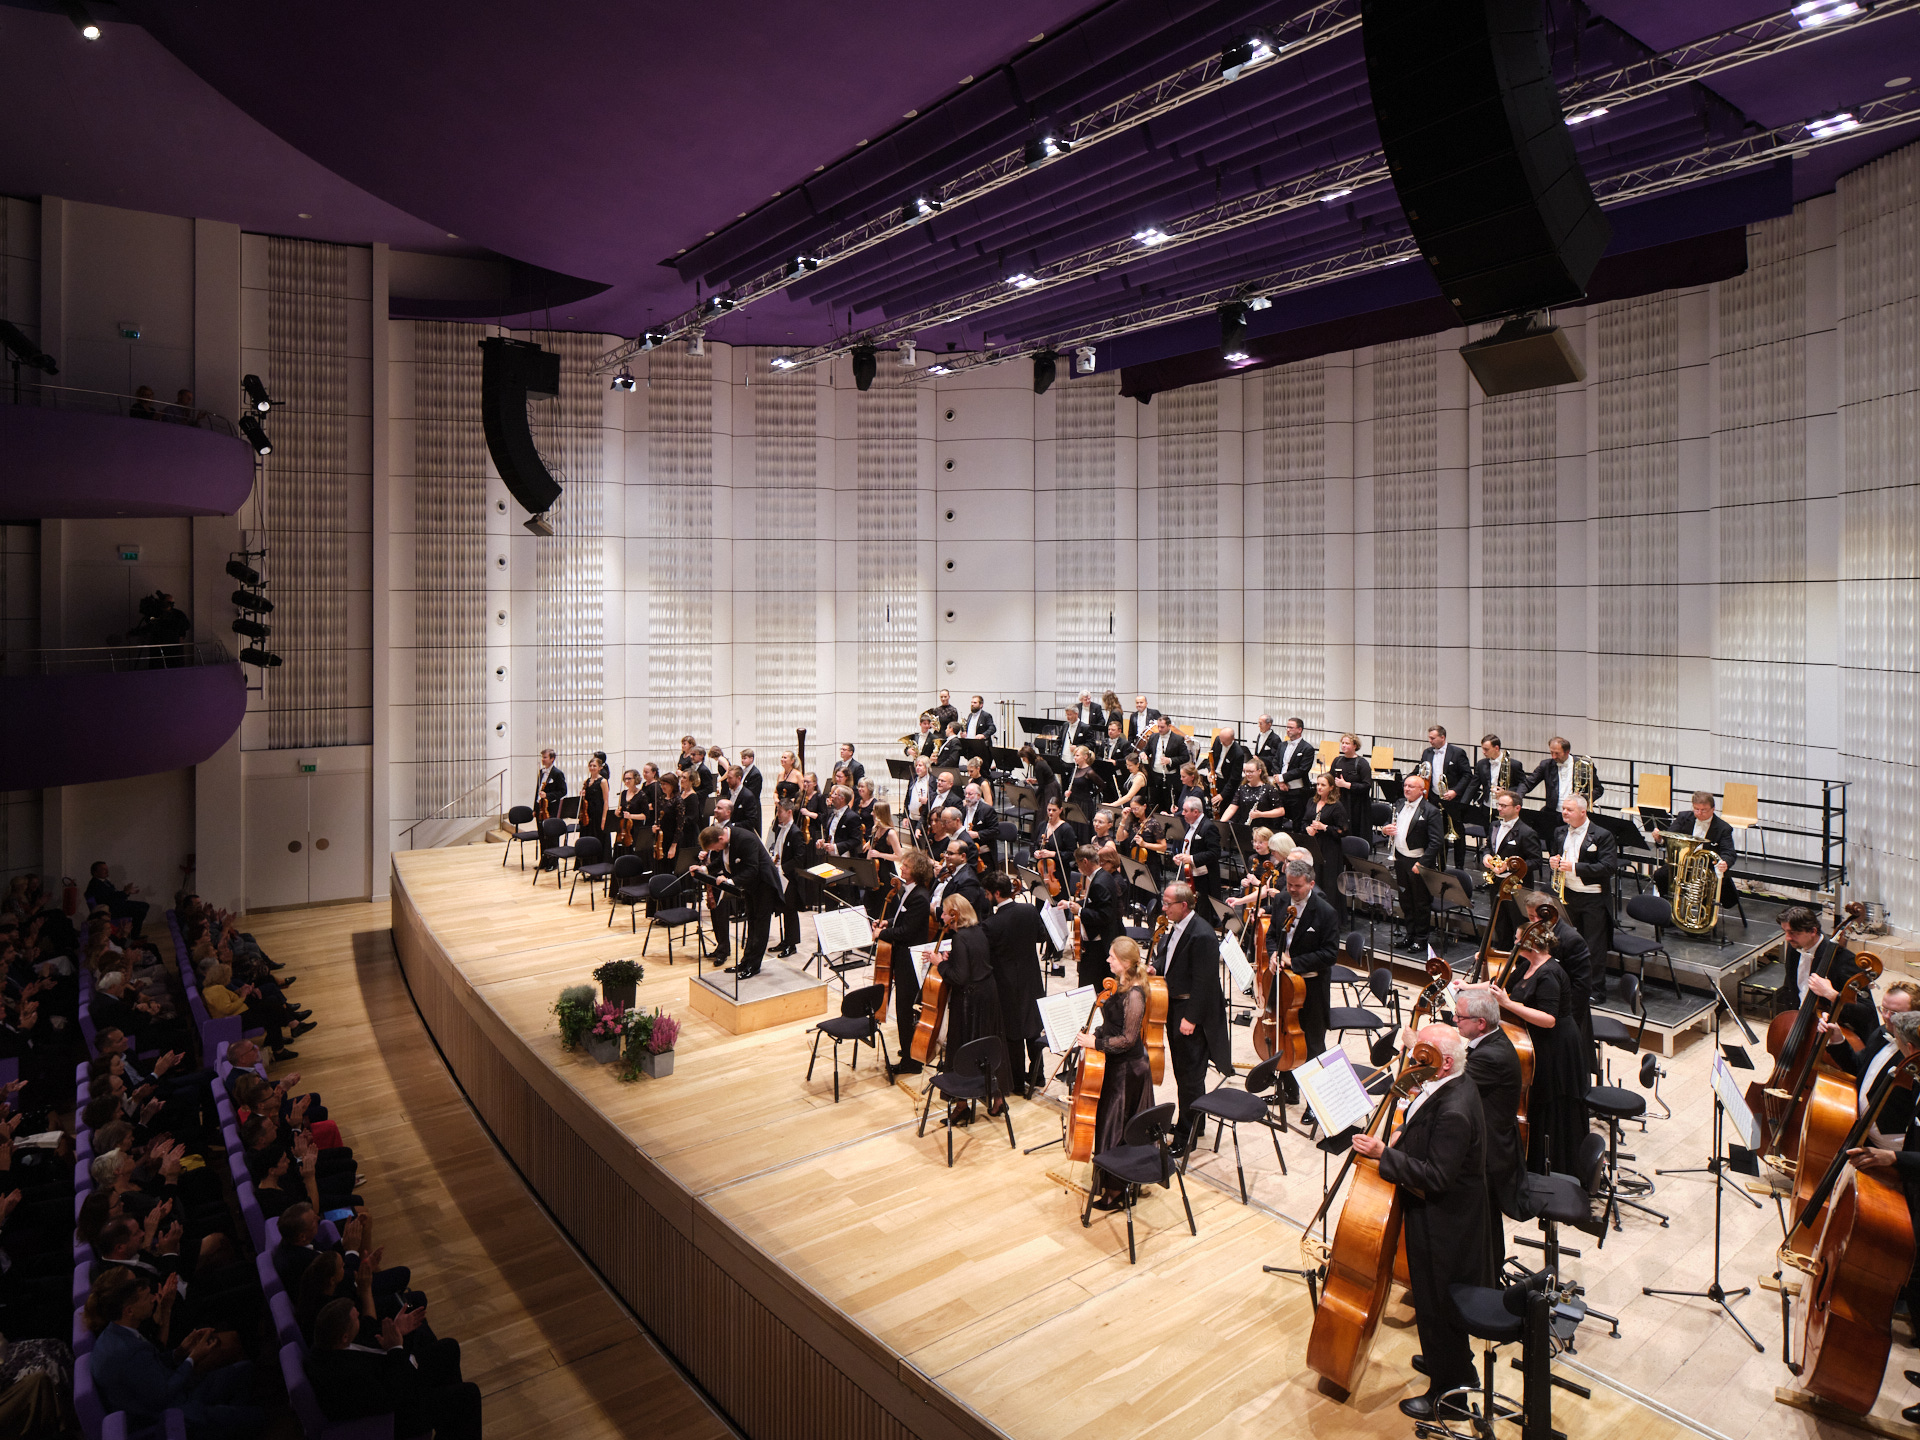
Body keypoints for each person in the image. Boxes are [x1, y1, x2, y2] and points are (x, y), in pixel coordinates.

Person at [1349, 1024, 1491, 1421]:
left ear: (1444, 1063)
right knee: (1434, 1307)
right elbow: (1421, 1126)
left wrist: (1384, 1153)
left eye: (1423, 1051)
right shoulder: (1449, 1084)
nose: (1414, 1057)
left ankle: (1451, 1398)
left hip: (1444, 1226)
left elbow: (1437, 1177)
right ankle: (1448, 1365)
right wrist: (1401, 1134)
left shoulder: (1454, 1111)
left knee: (1437, 1305)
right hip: (1440, 1217)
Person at [85, 1267, 266, 1439]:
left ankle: (228, 1422)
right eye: (147, 1297)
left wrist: (180, 1351)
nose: (154, 1299)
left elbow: (152, 1365)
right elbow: (163, 1395)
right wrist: (193, 1358)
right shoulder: (125, 1352)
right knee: (259, 1416)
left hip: (179, 1394)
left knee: (245, 1370)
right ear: (129, 1311)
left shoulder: (116, 1331)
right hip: (174, 1415)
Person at [1488, 918, 1588, 1176]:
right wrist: (1468, 987)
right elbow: (1501, 988)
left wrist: (1508, 1005)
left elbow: (1548, 1018)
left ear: (1530, 945)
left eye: (1517, 940)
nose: (1514, 944)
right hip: (1539, 1041)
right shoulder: (1527, 965)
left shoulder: (1550, 974)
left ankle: (1556, 1168)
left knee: (1550, 1105)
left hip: (1557, 1048)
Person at [306, 1298, 482, 1440]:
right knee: (468, 1394)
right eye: (356, 1319)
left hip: (397, 1376)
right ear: (345, 1337)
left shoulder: (329, 1343)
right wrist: (396, 1348)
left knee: (449, 1347)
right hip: (399, 1414)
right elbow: (392, 1397)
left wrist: (399, 1332)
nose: (360, 1318)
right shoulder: (346, 1374)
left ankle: (452, 1426)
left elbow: (374, 1350)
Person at [1074, 936, 1156, 1210]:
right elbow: (1114, 1024)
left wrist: (1095, 1043)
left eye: (1112, 957)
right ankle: (1115, 1183)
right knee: (1112, 1124)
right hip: (1116, 1066)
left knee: (1116, 1127)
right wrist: (1097, 1032)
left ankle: (1116, 1191)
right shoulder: (1121, 984)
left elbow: (1128, 1039)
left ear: (1125, 962)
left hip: (1128, 1072)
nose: (1108, 959)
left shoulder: (1135, 994)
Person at [1155, 882, 1232, 1156]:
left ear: (1184, 905)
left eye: (1168, 904)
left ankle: (1186, 1137)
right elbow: (1170, 957)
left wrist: (1191, 1018)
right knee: (1182, 1072)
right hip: (1175, 1006)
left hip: (1190, 1012)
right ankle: (1193, 1123)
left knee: (1190, 1077)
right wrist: (1155, 967)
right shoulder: (1177, 926)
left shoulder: (1202, 934)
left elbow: (1205, 981)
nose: (1163, 908)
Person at [1456, 986, 1527, 1264]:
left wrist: (1418, 1049)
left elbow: (1452, 1082)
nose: (1454, 1020)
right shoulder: (1492, 1039)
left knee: (1482, 1218)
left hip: (1491, 1152)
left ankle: (1487, 1272)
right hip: (1494, 1139)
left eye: (1460, 1017)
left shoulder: (1490, 1056)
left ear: (1480, 1023)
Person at [1263, 851, 1341, 1102]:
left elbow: (1330, 954)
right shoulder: (1281, 900)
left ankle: (1317, 1103)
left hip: (1311, 987)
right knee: (1284, 1036)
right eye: (1289, 884)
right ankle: (1288, 1092)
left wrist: (1294, 962)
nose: (1292, 890)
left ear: (1311, 884)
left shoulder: (1326, 912)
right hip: (1283, 983)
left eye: (1297, 886)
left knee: (1312, 1043)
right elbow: (1272, 935)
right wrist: (1274, 954)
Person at [930, 896, 1009, 1118]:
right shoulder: (978, 931)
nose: (942, 916)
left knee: (963, 1047)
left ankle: (962, 1105)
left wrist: (940, 963)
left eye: (945, 912)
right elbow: (972, 963)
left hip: (969, 1000)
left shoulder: (960, 938)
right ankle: (998, 1099)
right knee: (987, 1046)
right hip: (988, 994)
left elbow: (960, 977)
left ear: (955, 914)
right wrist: (952, 960)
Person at [980, 871, 1050, 1094]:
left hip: (1007, 986)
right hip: (1032, 980)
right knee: (1033, 1029)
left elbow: (986, 957)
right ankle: (1038, 1075)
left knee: (1013, 1035)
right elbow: (1041, 937)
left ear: (996, 893)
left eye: (987, 893)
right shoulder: (1029, 910)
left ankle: (1017, 1083)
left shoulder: (991, 924)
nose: (985, 897)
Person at [1548, 796, 1617, 1002]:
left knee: (1594, 947)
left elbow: (1608, 867)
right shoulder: (1559, 831)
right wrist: (1554, 861)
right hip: (1568, 894)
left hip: (1593, 898)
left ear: (1583, 812)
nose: (1564, 812)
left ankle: (1595, 991)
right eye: (1564, 809)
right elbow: (1556, 854)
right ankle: (1568, 985)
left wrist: (1575, 867)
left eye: (1569, 810)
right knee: (1565, 942)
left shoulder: (1602, 835)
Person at [692, 820, 781, 980]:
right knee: (751, 924)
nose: (716, 851)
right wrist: (704, 869)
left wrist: (730, 881)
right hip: (751, 886)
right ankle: (746, 962)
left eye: (715, 848)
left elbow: (752, 869)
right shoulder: (726, 840)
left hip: (764, 885)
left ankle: (754, 966)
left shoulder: (745, 839)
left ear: (720, 838)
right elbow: (723, 861)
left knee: (760, 927)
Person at [879, 852, 934, 1077]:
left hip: (910, 961)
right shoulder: (909, 890)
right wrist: (888, 922)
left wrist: (883, 934)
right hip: (902, 958)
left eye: (907, 867)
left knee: (905, 1010)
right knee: (902, 1009)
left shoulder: (920, 897)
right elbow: (903, 920)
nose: (902, 869)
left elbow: (908, 931)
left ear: (917, 871)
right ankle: (908, 1051)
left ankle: (911, 1063)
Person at [1381, 773, 1444, 951]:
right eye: (1405, 785)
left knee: (1420, 902)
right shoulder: (1399, 804)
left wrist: (1422, 863)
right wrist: (1385, 829)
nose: (1407, 789)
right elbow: (1388, 823)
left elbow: (1436, 841)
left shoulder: (1431, 811)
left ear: (1422, 790)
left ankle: (1421, 938)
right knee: (1405, 899)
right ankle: (1410, 934)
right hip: (1400, 859)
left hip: (1418, 862)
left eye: (1411, 786)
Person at [1481, 789, 1543, 950]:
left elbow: (1536, 861)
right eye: (1499, 805)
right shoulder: (1494, 825)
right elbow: (1488, 847)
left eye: (1504, 806)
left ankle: (1520, 960)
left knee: (1518, 924)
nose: (1499, 808)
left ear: (1517, 808)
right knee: (1499, 923)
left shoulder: (1527, 832)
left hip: (1517, 887)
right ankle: (1502, 956)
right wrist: (1486, 856)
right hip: (1496, 883)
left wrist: (1509, 865)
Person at [1063, 845, 1122, 990]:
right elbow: (1093, 902)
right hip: (1101, 939)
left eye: (1078, 863)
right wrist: (1071, 904)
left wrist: (1080, 911)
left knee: (1090, 986)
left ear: (1085, 861)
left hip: (1098, 945)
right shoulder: (1103, 876)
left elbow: (1104, 915)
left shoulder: (1099, 883)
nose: (1078, 867)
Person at [1416, 724, 1472, 869]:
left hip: (1453, 799)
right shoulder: (1427, 752)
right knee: (1437, 833)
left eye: (1433, 738)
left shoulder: (1457, 752)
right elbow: (1420, 769)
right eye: (1429, 738)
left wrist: (1455, 791)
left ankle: (1459, 868)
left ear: (1442, 737)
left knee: (1457, 834)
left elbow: (1467, 775)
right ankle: (1440, 866)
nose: (1430, 741)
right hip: (1434, 798)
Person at [1300, 773, 1349, 920]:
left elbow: (1343, 830)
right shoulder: (1311, 801)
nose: (1319, 787)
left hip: (1330, 848)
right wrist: (1307, 828)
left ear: (1331, 787)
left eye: (1323, 785)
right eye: (1318, 784)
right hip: (1313, 846)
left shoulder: (1337, 806)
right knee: (1313, 878)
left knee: (1328, 882)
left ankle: (1328, 918)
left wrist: (1324, 827)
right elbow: (1304, 821)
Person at [1170, 795, 1221, 904]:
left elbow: (1215, 853)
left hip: (1205, 880)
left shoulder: (1209, 827)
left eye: (1185, 811)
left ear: (1195, 812)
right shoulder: (1189, 824)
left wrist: (1191, 858)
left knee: (1203, 909)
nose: (1182, 813)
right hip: (1191, 876)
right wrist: (1181, 858)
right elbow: (1189, 846)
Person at [85, 861, 149, 938]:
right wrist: (125, 892)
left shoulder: (104, 881)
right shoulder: (95, 885)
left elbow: (114, 895)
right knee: (141, 909)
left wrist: (126, 892)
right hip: (110, 910)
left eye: (106, 869)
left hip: (115, 905)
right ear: (95, 872)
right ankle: (134, 936)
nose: (107, 871)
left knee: (143, 906)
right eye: (103, 869)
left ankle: (133, 935)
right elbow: (109, 900)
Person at [1271, 717, 1315, 829]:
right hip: (1280, 788)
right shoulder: (1282, 745)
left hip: (1297, 791)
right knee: (1276, 820)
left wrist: (1282, 778)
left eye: (1291, 727)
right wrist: (1280, 782)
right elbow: (1275, 762)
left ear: (1299, 729)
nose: (1288, 730)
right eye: (1287, 727)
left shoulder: (1307, 748)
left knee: (1297, 822)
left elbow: (1302, 770)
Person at [533, 748, 567, 822]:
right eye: (542, 757)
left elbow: (563, 791)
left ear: (552, 759)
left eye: (545, 757)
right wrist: (535, 808)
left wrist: (547, 795)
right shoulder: (541, 772)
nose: (543, 759)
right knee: (540, 828)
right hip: (540, 806)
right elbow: (538, 790)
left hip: (551, 807)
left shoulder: (557, 773)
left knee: (549, 827)